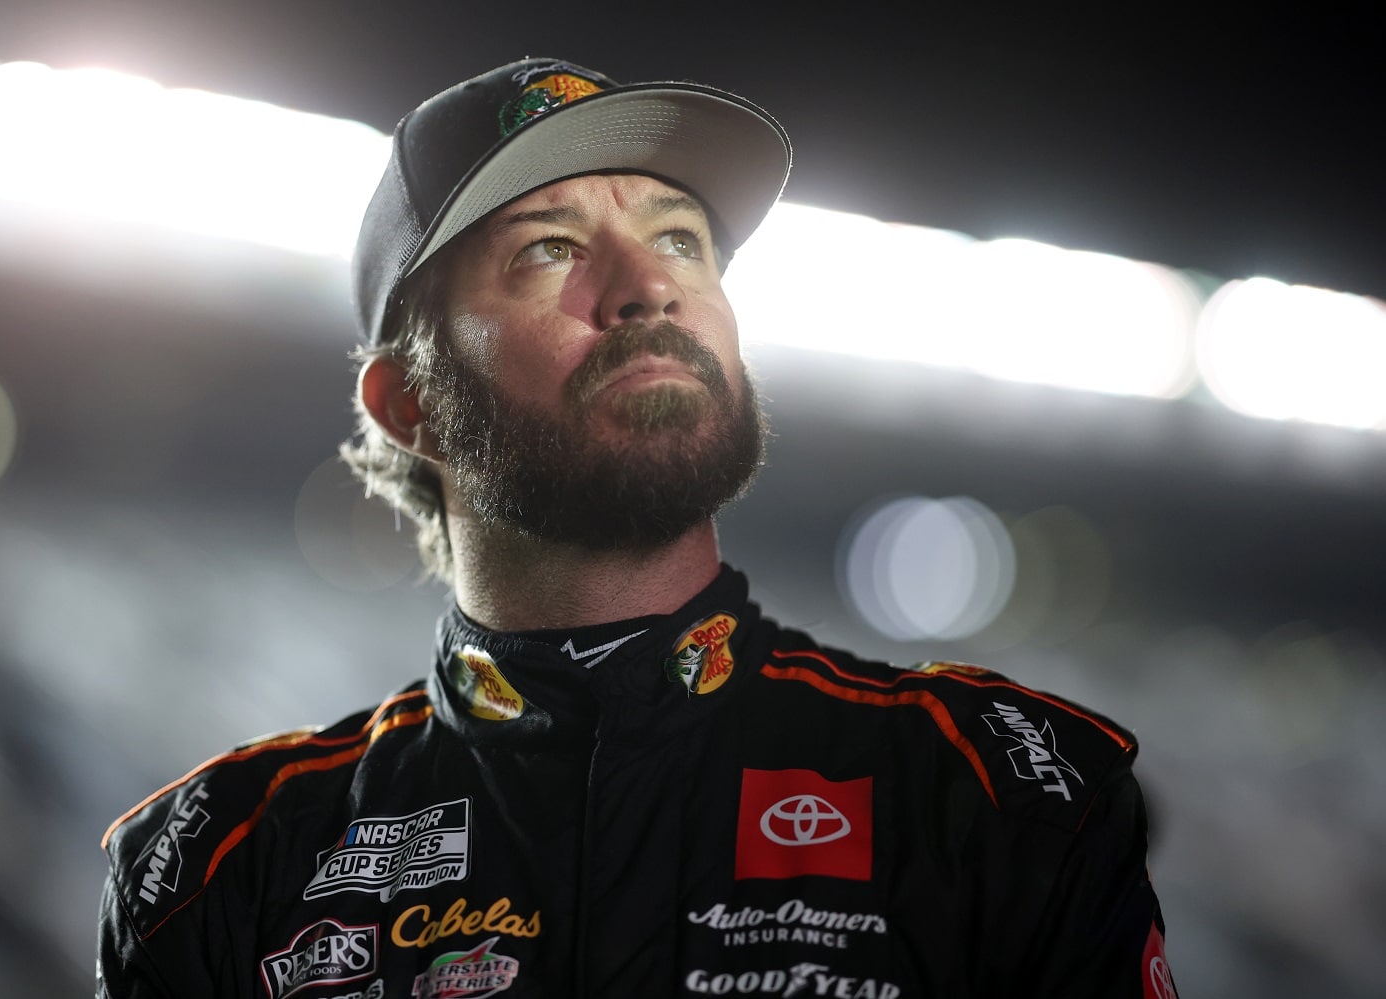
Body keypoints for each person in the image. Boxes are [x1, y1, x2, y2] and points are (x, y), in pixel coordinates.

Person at [96, 57, 1179, 999]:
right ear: (407, 405)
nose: (650, 286)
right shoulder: (223, 866)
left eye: (681, 237)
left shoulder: (998, 796)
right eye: (550, 249)